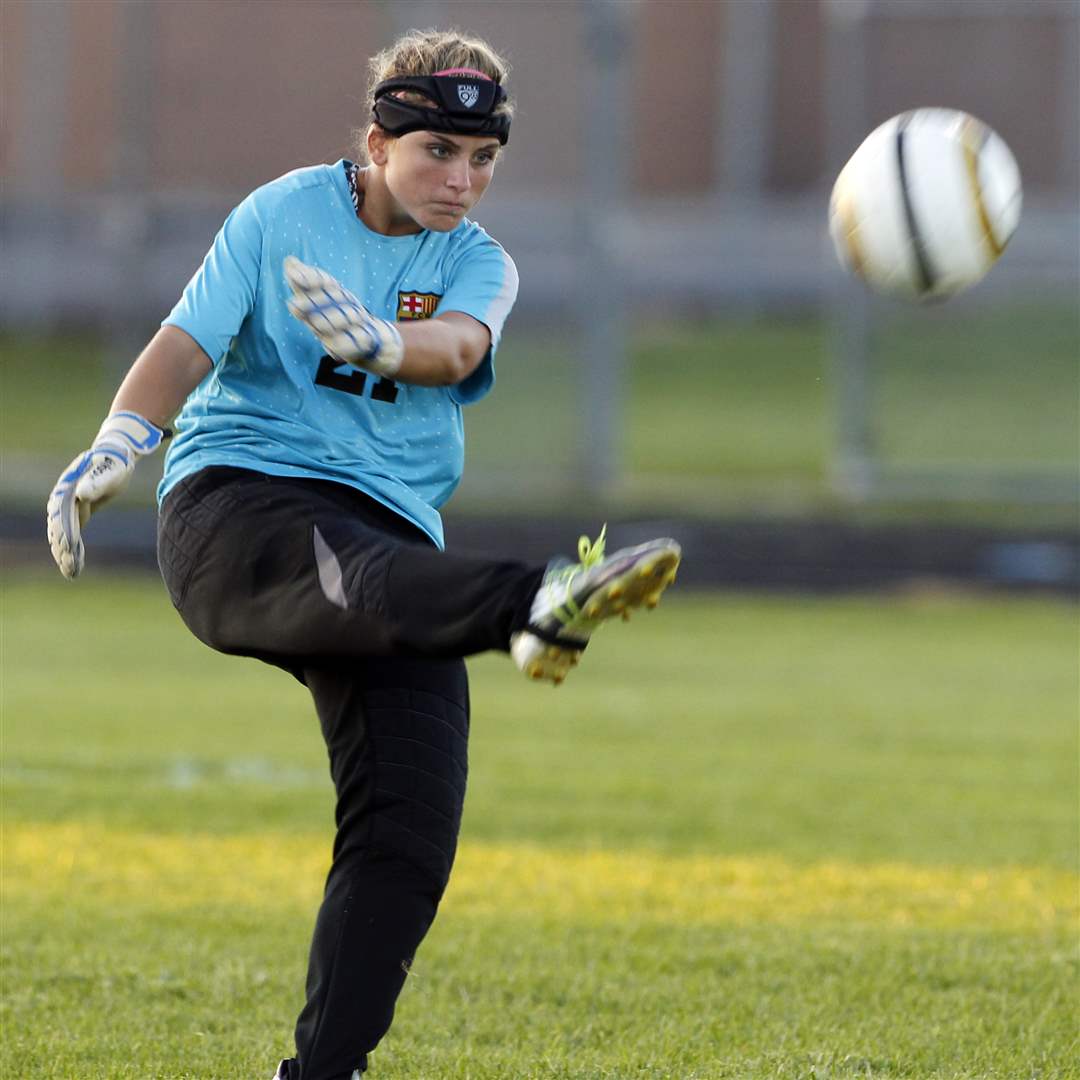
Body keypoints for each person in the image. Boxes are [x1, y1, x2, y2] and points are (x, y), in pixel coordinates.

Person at [46, 29, 680, 1080]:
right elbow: (181, 346)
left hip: (395, 551)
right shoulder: (282, 213)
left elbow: (461, 347)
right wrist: (122, 440)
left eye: (484, 159)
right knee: (360, 568)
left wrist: (385, 343)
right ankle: (536, 603)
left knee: (410, 839)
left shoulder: (479, 261)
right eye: (438, 150)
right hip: (236, 510)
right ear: (377, 140)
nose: (462, 179)